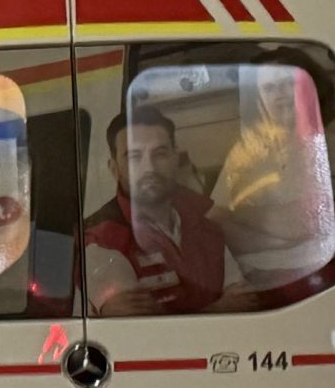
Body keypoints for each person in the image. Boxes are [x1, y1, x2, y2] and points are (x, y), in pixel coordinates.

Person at [86, 105, 248, 316]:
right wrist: (218, 309)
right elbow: (140, 331)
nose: (149, 168)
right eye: (134, 157)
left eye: (160, 154)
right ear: (114, 168)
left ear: (174, 158)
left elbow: (244, 301)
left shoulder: (207, 229)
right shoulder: (100, 240)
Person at [208, 64, 335, 292]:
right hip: (256, 283)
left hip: (326, 278)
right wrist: (280, 239)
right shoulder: (244, 152)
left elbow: (311, 220)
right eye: (269, 88)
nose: (279, 94)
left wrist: (239, 216)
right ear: (260, 101)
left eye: (287, 84)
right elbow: (215, 221)